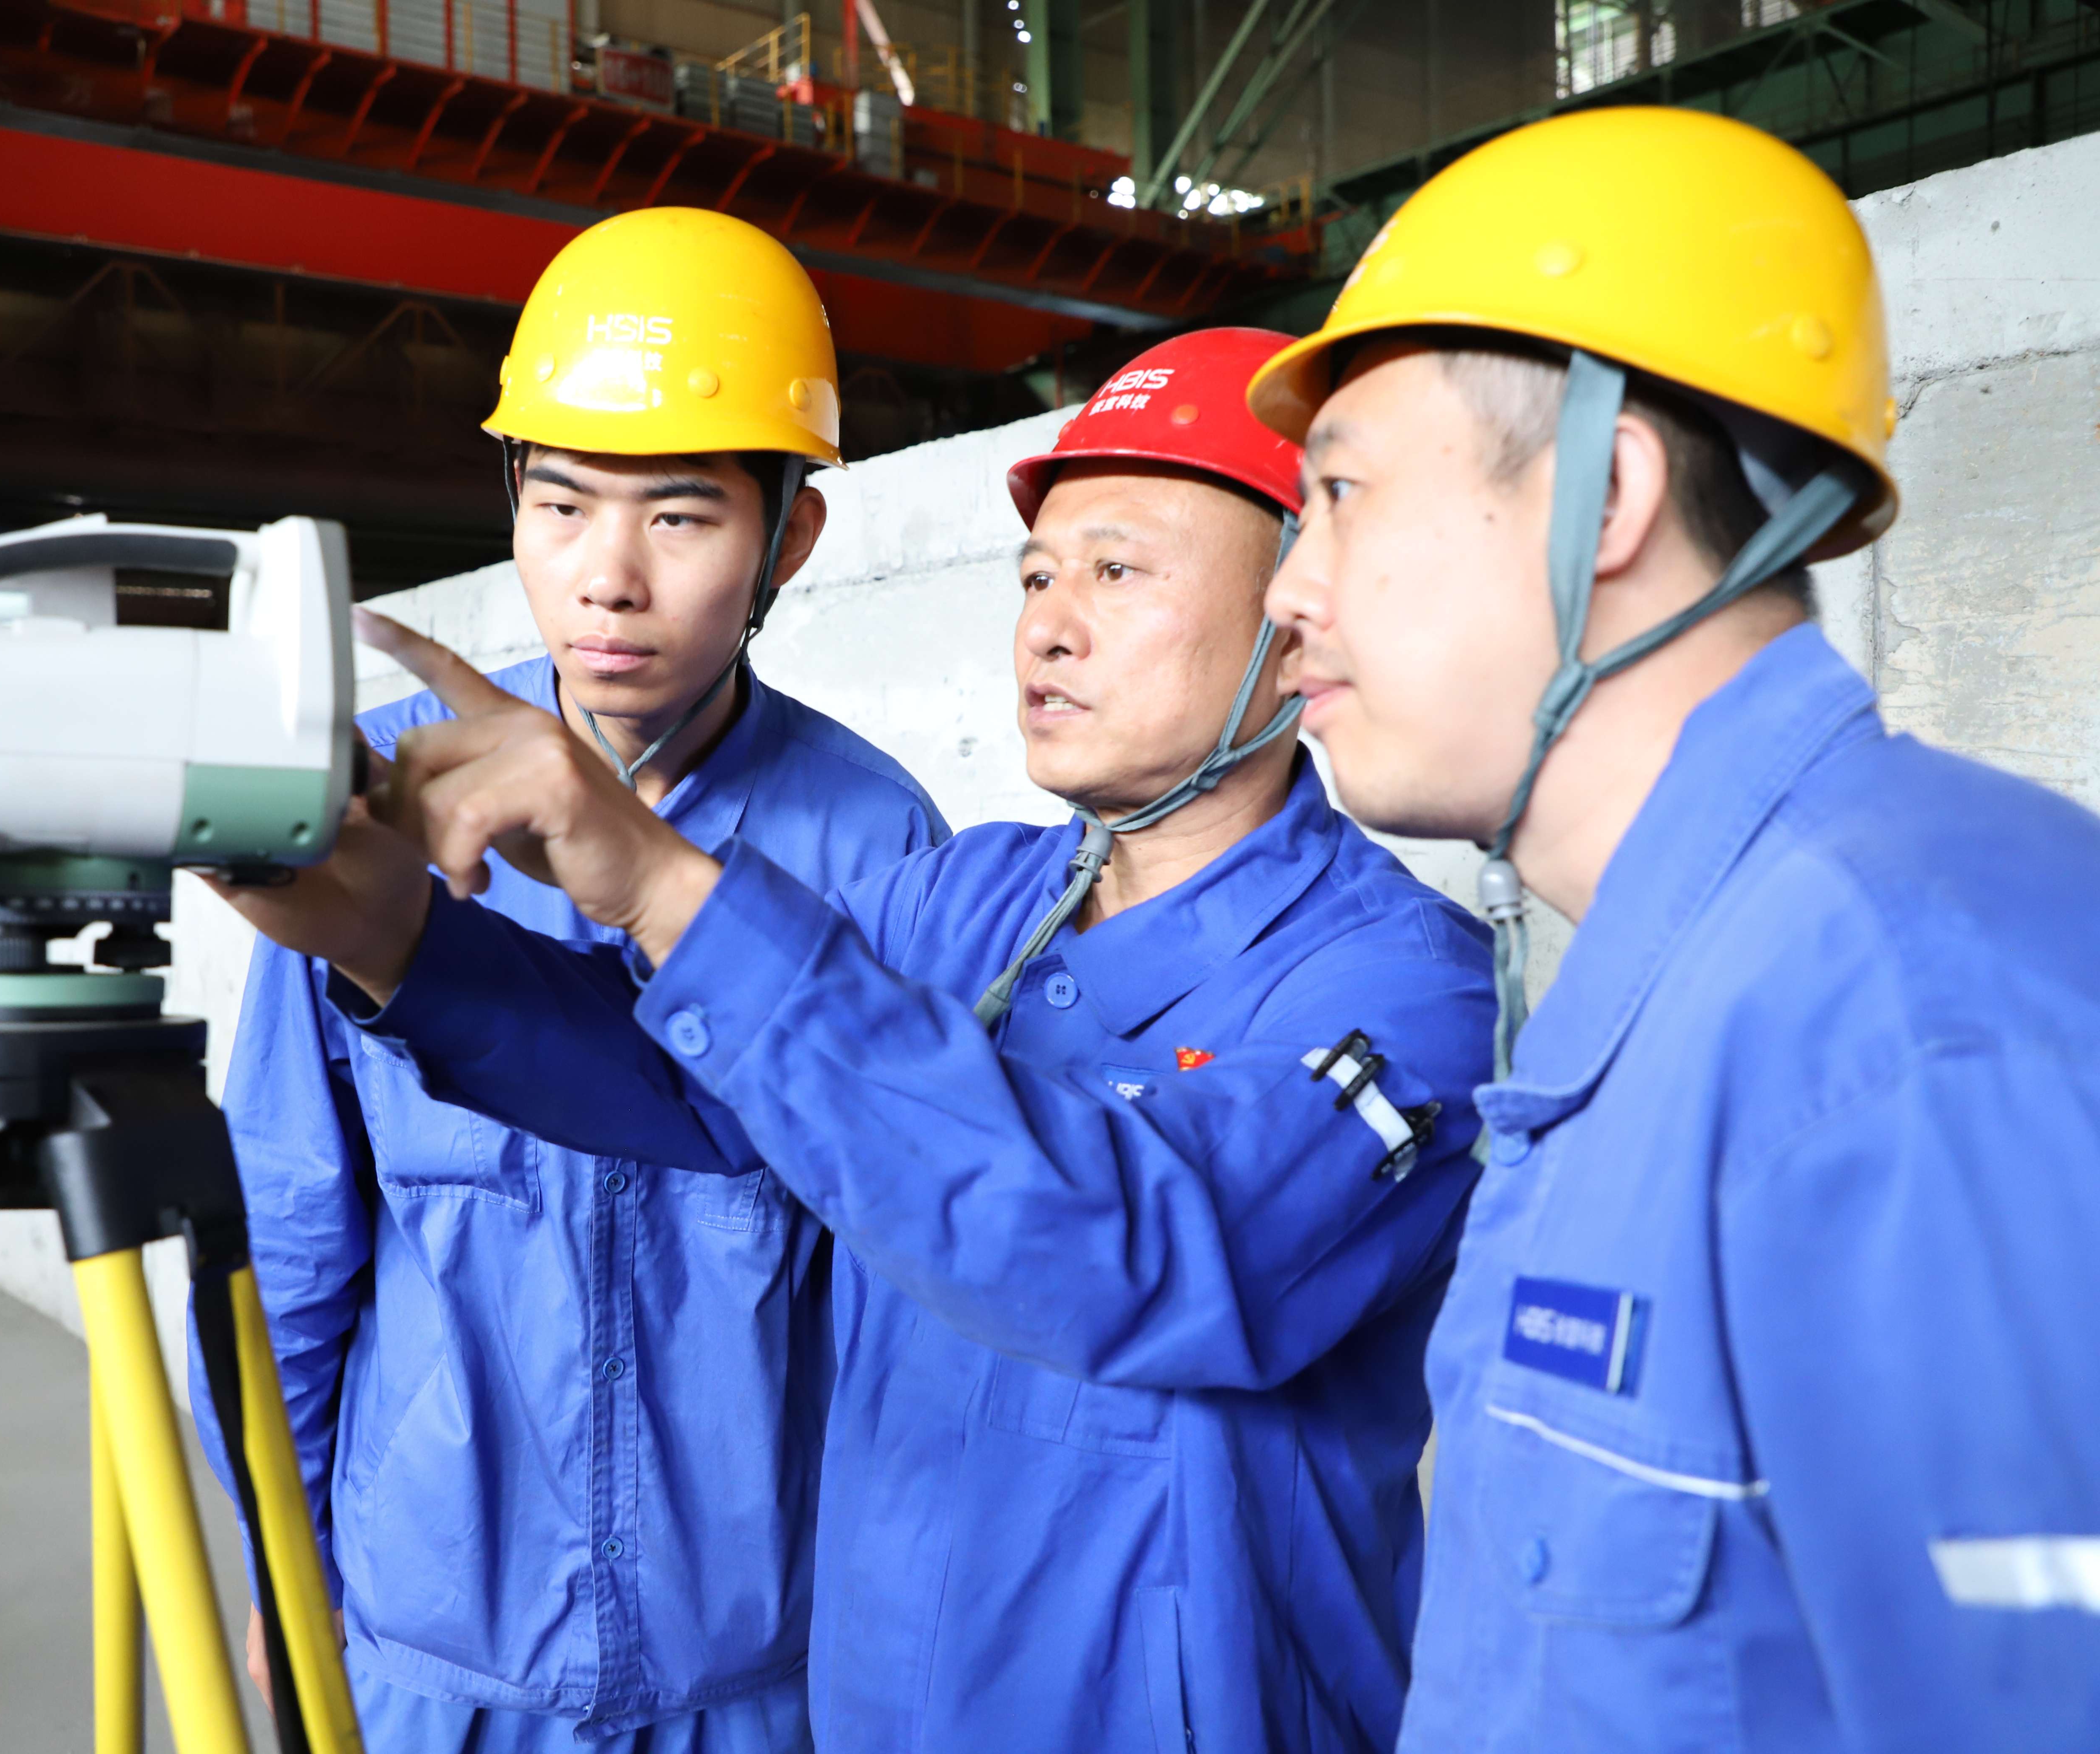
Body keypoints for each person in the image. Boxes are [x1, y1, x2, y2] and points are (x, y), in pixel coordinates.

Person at [217, 328, 1500, 1751]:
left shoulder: (1408, 991)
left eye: (1118, 572)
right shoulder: (970, 899)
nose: (1048, 629)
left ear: (1300, 619)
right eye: (1037, 577)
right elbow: (693, 1084)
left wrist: (657, 883)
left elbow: (1142, 1247)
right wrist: (400, 940)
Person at [1249, 105, 2100, 1751]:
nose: (1291, 587)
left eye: (1340, 491)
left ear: (1610, 493)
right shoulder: (1688, 990)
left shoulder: (1910, 1014)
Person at [190, 206, 946, 1752]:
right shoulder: (375, 817)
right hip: (435, 1652)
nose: (608, 578)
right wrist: (284, 1562)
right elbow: (287, 1233)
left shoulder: (874, 844)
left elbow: (910, 1291)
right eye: (562, 504)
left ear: (789, 539)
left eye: (681, 516)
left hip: (759, 1665)